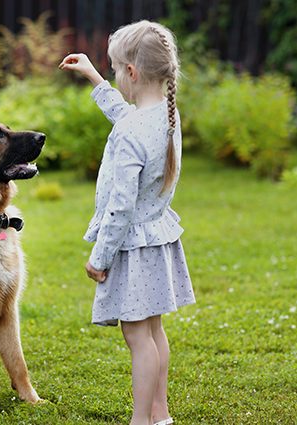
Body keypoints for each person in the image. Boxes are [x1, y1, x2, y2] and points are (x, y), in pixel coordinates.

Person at [59, 20, 196, 425]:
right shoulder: (166, 117)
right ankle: (160, 414)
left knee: (138, 338)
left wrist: (99, 259)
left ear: (133, 73)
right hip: (156, 243)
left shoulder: (131, 133)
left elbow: (120, 209)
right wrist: (95, 78)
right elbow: (125, 115)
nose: (117, 76)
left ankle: (141, 420)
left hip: (133, 251)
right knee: (153, 333)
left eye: (117, 69)